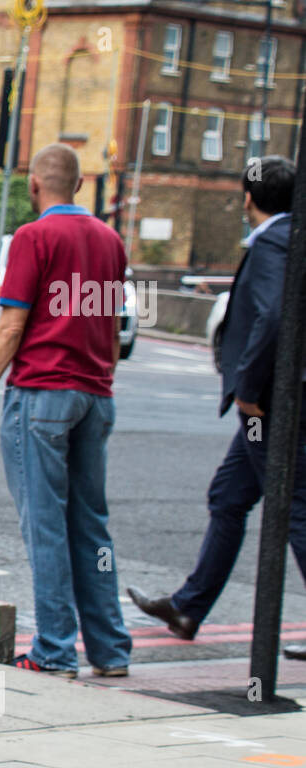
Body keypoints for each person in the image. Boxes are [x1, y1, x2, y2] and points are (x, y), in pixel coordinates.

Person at [128, 156, 306, 661]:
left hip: (270, 402)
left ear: (249, 198)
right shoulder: (294, 232)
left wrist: (248, 388)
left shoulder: (274, 239)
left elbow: (272, 316)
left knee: (295, 506)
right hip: (275, 402)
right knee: (229, 495)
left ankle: (189, 605)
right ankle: (188, 607)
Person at [0, 143, 133, 678]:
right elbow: (110, 329)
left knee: (45, 526)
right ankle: (109, 650)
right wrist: (100, 379)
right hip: (95, 395)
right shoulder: (110, 240)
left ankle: (55, 650)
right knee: (90, 525)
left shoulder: (34, 238)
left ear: (35, 186)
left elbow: (12, 325)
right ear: (80, 186)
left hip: (41, 395)